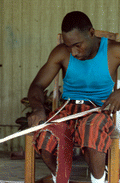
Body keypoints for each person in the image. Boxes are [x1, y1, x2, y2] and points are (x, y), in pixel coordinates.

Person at [27, 11, 120, 183]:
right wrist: (38, 109)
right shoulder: (61, 53)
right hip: (67, 111)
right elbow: (37, 85)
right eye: (69, 46)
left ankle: (99, 180)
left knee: (91, 129)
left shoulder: (114, 50)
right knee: (46, 135)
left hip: (98, 111)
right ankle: (61, 179)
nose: (74, 52)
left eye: (78, 45)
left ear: (91, 33)